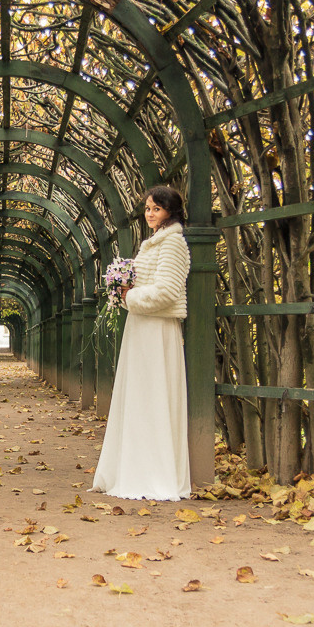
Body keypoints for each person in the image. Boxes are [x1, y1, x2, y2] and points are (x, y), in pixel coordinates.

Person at [91, 185, 191, 501]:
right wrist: (123, 291)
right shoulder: (153, 243)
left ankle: (154, 474)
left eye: (156, 209)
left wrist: (129, 295)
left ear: (170, 212)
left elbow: (168, 292)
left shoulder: (173, 243)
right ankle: (134, 469)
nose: (150, 214)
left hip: (158, 331)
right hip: (141, 328)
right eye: (147, 208)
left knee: (154, 398)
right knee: (139, 399)